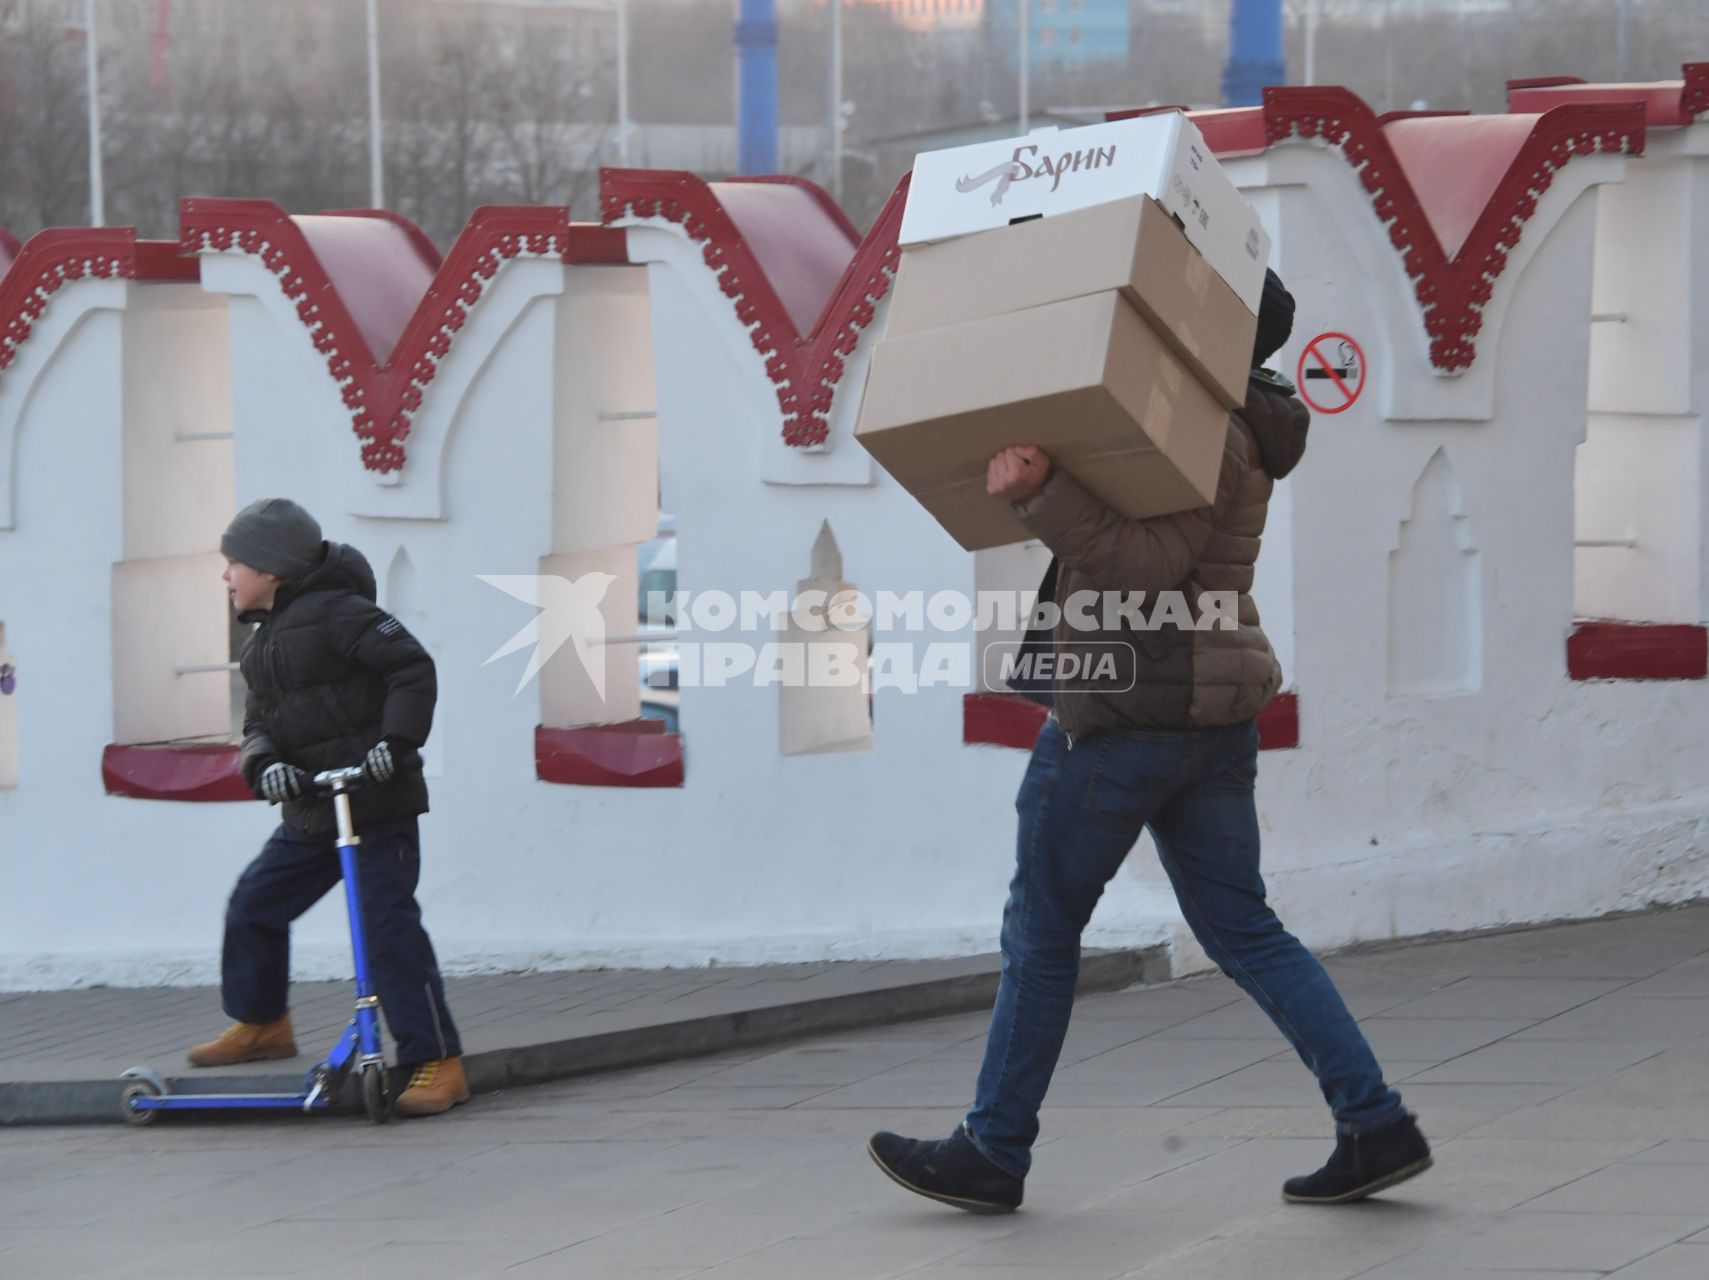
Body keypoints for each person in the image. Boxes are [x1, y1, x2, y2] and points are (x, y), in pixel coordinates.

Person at [867, 270, 1430, 1212]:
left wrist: (1042, 494)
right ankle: (1374, 1123)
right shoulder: (1243, 418)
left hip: (1127, 714)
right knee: (1244, 928)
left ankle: (992, 1147)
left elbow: (1152, 567)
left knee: (1042, 929)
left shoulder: (1195, 430)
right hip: (1209, 710)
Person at [186, 497, 469, 1118]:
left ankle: (437, 1060)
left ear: (272, 569)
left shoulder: (343, 613)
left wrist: (395, 745)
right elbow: (257, 722)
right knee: (255, 904)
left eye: (234, 562)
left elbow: (411, 668)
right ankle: (263, 1023)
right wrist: (266, 766)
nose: (226, 575)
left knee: (385, 928)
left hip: (375, 802)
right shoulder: (261, 643)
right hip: (315, 810)